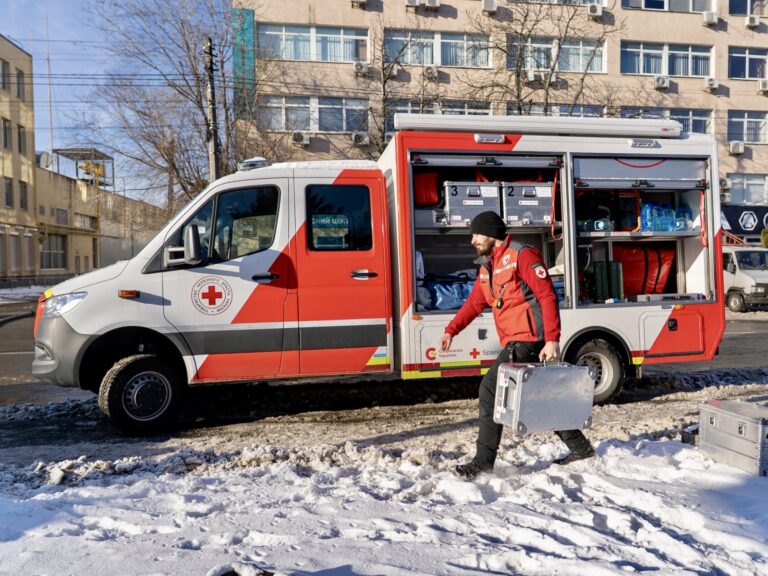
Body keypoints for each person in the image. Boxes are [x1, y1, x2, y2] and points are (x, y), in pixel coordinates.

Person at [439, 211, 595, 480]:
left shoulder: (522, 255)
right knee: (541, 395)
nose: (472, 240)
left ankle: (482, 463)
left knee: (489, 390)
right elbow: (475, 302)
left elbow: (547, 295)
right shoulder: (487, 266)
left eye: (476, 234)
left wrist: (552, 339)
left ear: (490, 233)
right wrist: (451, 330)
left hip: (528, 339)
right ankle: (580, 448)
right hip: (515, 339)